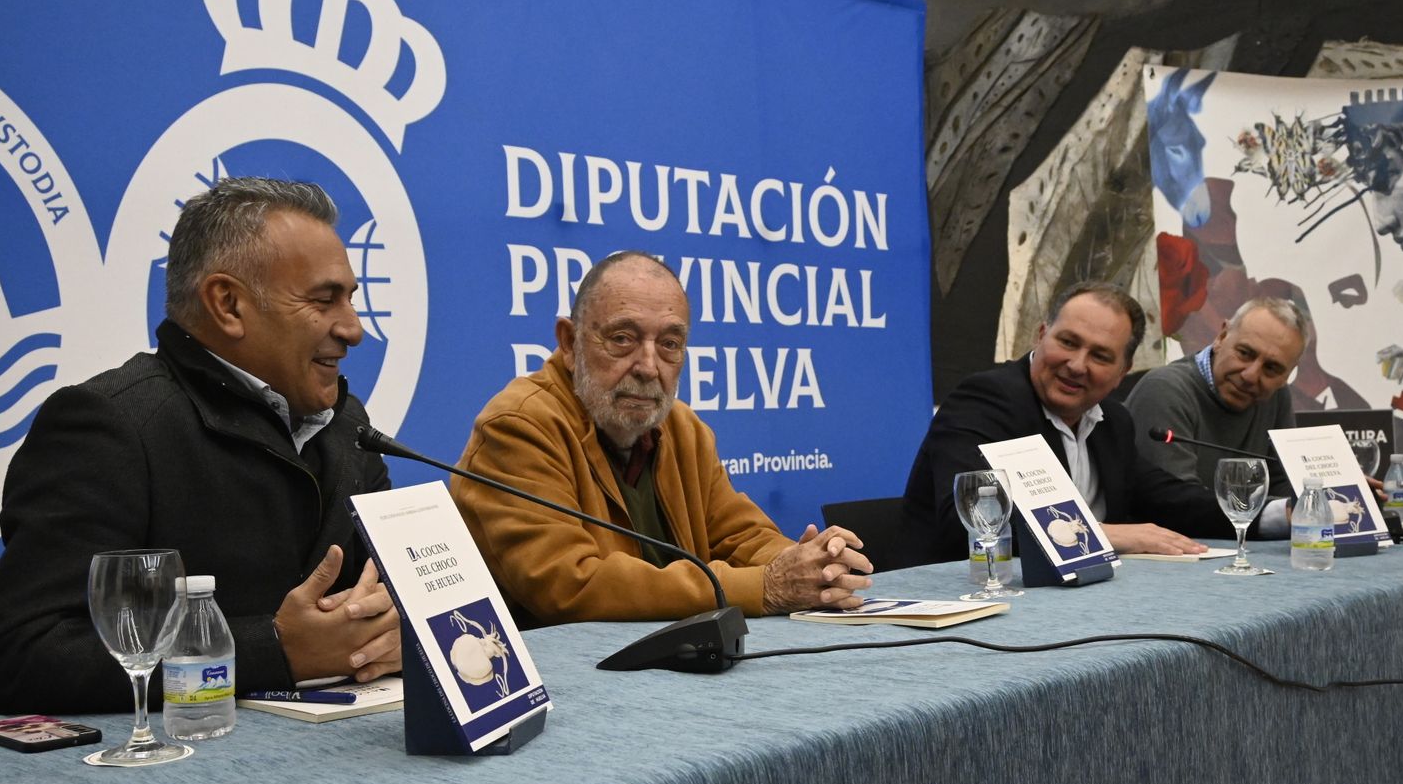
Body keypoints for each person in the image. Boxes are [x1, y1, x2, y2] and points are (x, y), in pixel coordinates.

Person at [0, 177, 400, 714]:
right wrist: (274, 650)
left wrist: (396, 635)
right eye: (324, 300)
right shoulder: (110, 426)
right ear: (227, 304)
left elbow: (390, 598)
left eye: (351, 299)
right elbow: (22, 660)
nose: (354, 328)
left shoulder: (347, 426)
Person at [453, 250, 871, 627]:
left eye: (669, 343)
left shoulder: (681, 428)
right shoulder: (518, 426)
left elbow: (741, 536)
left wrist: (811, 567)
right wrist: (764, 587)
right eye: (623, 338)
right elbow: (569, 584)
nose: (649, 366)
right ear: (570, 342)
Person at [900, 281, 1234, 568]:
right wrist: (1105, 533)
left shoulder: (1112, 421)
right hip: (964, 600)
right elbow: (971, 523)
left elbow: (1171, 500)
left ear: (1123, 371)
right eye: (1068, 343)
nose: (1076, 365)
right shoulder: (985, 402)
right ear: (1042, 334)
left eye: (1100, 356)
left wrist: (1275, 512)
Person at [1125, 297, 1307, 498]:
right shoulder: (1165, 389)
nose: (1251, 375)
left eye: (1271, 368)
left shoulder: (1276, 396)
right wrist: (1275, 514)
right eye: (1245, 353)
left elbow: (1285, 484)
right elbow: (1175, 503)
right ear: (1221, 336)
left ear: (1287, 376)